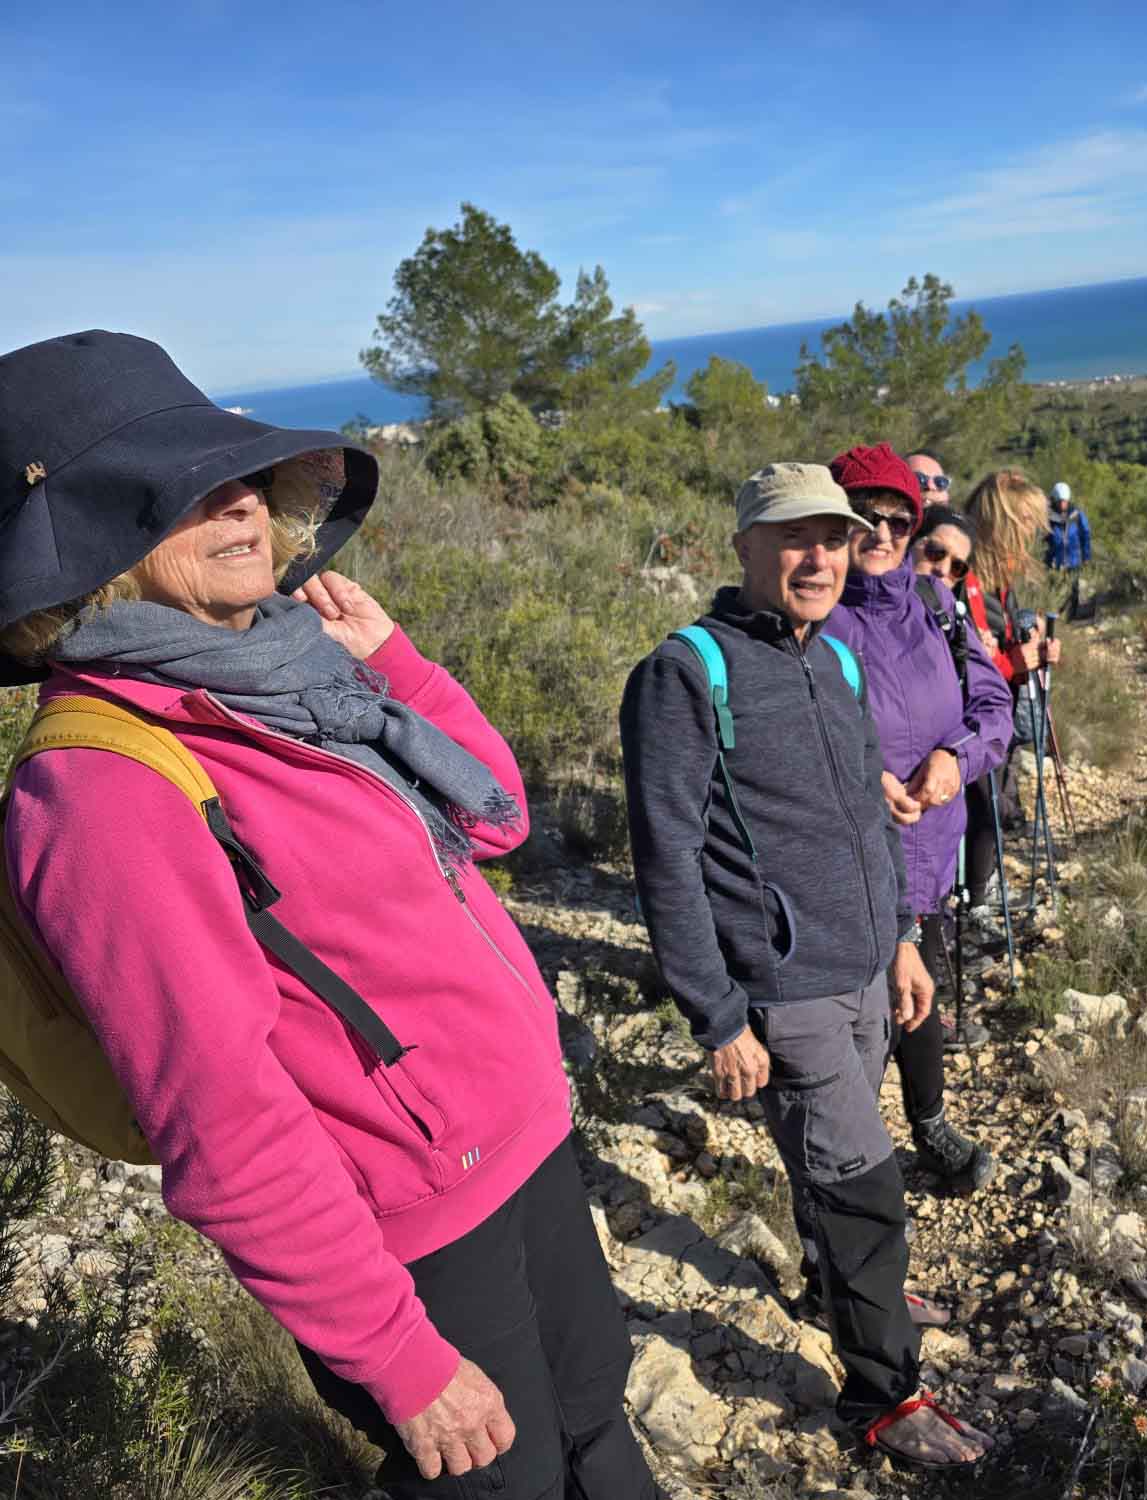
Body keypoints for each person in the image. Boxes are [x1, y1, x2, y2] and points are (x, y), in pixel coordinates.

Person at [0, 331, 661, 1499]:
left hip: (524, 1138)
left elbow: (495, 821)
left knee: (599, 1424)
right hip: (410, 1232)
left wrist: (393, 667)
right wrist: (397, 1358)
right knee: (506, 1483)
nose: (243, 503)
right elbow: (224, 1118)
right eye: (188, 488)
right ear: (98, 540)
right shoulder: (105, 789)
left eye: (241, 472)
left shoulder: (288, 668)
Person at [618, 463, 992, 1471]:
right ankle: (884, 1395)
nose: (818, 555)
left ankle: (840, 1286)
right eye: (793, 538)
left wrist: (907, 934)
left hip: (870, 965)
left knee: (839, 1168)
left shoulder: (836, 661)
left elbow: (869, 818)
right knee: (862, 1181)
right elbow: (667, 857)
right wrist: (717, 1017)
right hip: (786, 987)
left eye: (832, 537)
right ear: (742, 546)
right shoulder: (687, 672)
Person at [822, 446, 1013, 1194]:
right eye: (862, 518)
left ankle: (928, 1123)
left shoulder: (936, 608)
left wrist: (954, 758)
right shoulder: (809, 610)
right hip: (843, 862)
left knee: (919, 989)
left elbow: (992, 709)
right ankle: (850, 1169)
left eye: (898, 521)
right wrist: (855, 777)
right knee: (855, 1020)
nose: (881, 533)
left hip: (928, 852)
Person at [959, 469, 1059, 914]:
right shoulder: (962, 579)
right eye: (1022, 521)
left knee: (993, 805)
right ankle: (973, 903)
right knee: (981, 807)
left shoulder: (1000, 580)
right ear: (995, 522)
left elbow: (998, 649)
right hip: (968, 723)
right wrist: (1011, 663)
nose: (1031, 533)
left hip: (996, 714)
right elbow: (962, 665)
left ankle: (983, 890)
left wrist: (1032, 649)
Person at [1044, 480, 1093, 619]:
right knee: (1055, 588)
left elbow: (1086, 535)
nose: (1062, 504)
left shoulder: (1076, 516)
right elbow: (1043, 539)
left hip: (1073, 559)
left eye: (1064, 501)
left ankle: (1072, 616)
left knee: (1073, 588)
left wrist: (1086, 556)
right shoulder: (1049, 517)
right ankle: (1054, 615)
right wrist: (1045, 559)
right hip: (1055, 560)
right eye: (1059, 501)